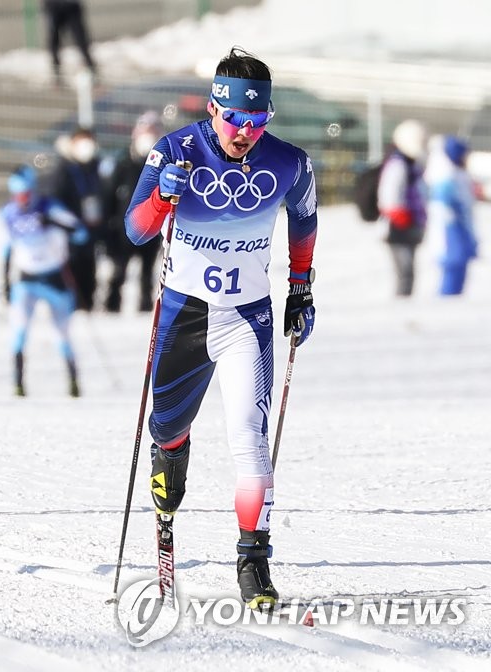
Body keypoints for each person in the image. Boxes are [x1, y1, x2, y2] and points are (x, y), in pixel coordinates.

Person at [125, 47, 318, 610]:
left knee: (250, 443)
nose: (246, 133)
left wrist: (301, 285)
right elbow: (136, 231)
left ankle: (253, 561)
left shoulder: (287, 162)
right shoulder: (175, 150)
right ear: (214, 108)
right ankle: (170, 463)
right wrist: (164, 196)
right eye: (236, 120)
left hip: (247, 320)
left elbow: (305, 216)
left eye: (259, 122)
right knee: (168, 428)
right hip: (183, 317)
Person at [1, 165, 88, 397]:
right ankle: (18, 385)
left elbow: (81, 233)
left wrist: (53, 223)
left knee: (62, 333)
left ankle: (73, 383)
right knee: (18, 331)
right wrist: (6, 285)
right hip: (25, 279)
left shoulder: (50, 207)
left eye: (26, 194)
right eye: (18, 195)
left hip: (54, 278)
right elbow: (6, 249)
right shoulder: (9, 214)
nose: (22, 200)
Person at [102, 111, 165, 312]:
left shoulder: (163, 165)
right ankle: (112, 305)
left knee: (148, 273)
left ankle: (145, 305)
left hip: (152, 229)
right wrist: (107, 229)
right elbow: (110, 197)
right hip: (124, 229)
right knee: (119, 270)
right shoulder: (123, 164)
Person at [49, 126, 104, 311]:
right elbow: (56, 201)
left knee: (89, 269)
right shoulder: (64, 169)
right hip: (69, 231)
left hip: (91, 227)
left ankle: (87, 304)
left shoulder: (95, 166)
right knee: (72, 270)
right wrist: (70, 224)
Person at [378, 119, 428, 297]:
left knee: (409, 273)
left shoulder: (412, 164)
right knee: (404, 273)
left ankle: (405, 304)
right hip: (398, 228)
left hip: (411, 225)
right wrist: (399, 214)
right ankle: (400, 309)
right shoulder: (398, 164)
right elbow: (388, 194)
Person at [425, 135, 479, 296]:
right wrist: (455, 222)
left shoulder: (459, 175)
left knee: (460, 270)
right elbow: (442, 206)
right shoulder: (446, 176)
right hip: (451, 231)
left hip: (461, 228)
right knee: (452, 271)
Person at [41, 0, 97, 86]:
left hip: (71, 5)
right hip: (53, 6)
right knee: (54, 41)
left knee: (81, 39)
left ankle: (92, 72)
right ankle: (57, 75)